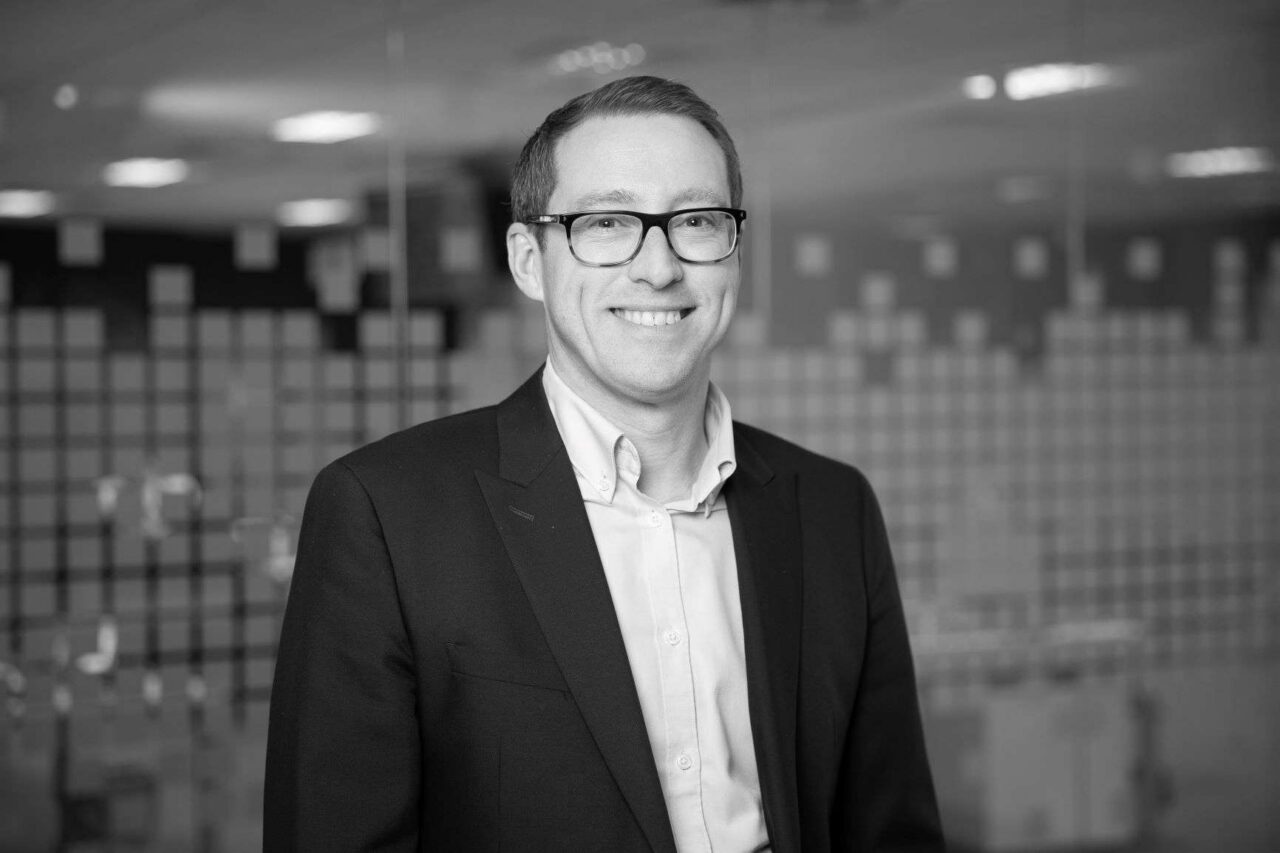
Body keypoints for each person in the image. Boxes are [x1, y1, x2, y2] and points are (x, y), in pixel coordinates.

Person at [264, 75, 943, 852]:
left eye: (695, 220)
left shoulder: (832, 508)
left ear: (733, 253)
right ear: (528, 260)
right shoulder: (387, 513)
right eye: (608, 222)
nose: (658, 267)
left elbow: (892, 830)